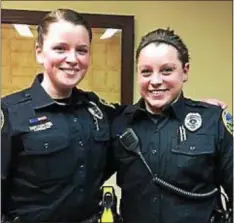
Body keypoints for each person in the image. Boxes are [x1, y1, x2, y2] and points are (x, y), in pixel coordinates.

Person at [0, 8, 228, 223]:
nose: (72, 59)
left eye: (81, 50)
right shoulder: (10, 114)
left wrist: (201, 111)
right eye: (60, 48)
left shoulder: (97, 111)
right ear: (39, 52)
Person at [110, 28, 233, 223]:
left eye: (167, 70)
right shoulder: (119, 123)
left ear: (185, 71)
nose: (156, 81)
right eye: (146, 72)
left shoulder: (212, 121)